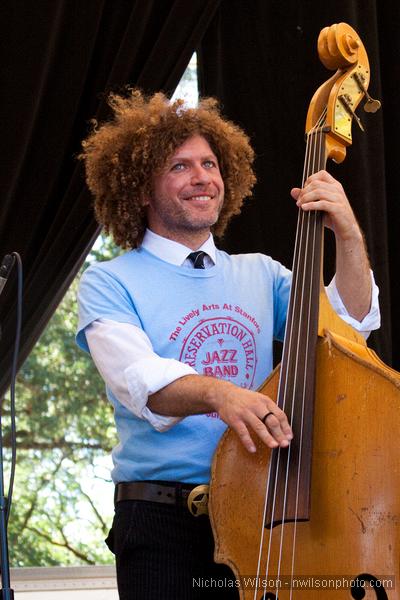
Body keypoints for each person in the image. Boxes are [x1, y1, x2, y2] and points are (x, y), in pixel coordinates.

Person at [76, 90, 380, 599]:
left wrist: (347, 236)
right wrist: (222, 393)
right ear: (141, 189)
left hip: (265, 505)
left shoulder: (261, 273)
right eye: (179, 166)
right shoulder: (109, 282)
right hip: (164, 523)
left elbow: (347, 332)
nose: (203, 178)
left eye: (210, 164)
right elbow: (142, 381)